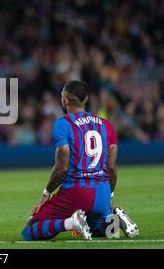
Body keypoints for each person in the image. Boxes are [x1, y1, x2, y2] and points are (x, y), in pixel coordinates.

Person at [22, 80, 138, 240]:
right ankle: (116, 220)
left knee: (29, 230)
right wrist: (110, 195)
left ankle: (70, 223)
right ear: (86, 99)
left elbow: (62, 166)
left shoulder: (63, 124)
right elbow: (111, 168)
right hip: (102, 192)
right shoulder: (106, 124)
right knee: (98, 229)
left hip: (76, 191)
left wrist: (46, 193)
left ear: (65, 100)